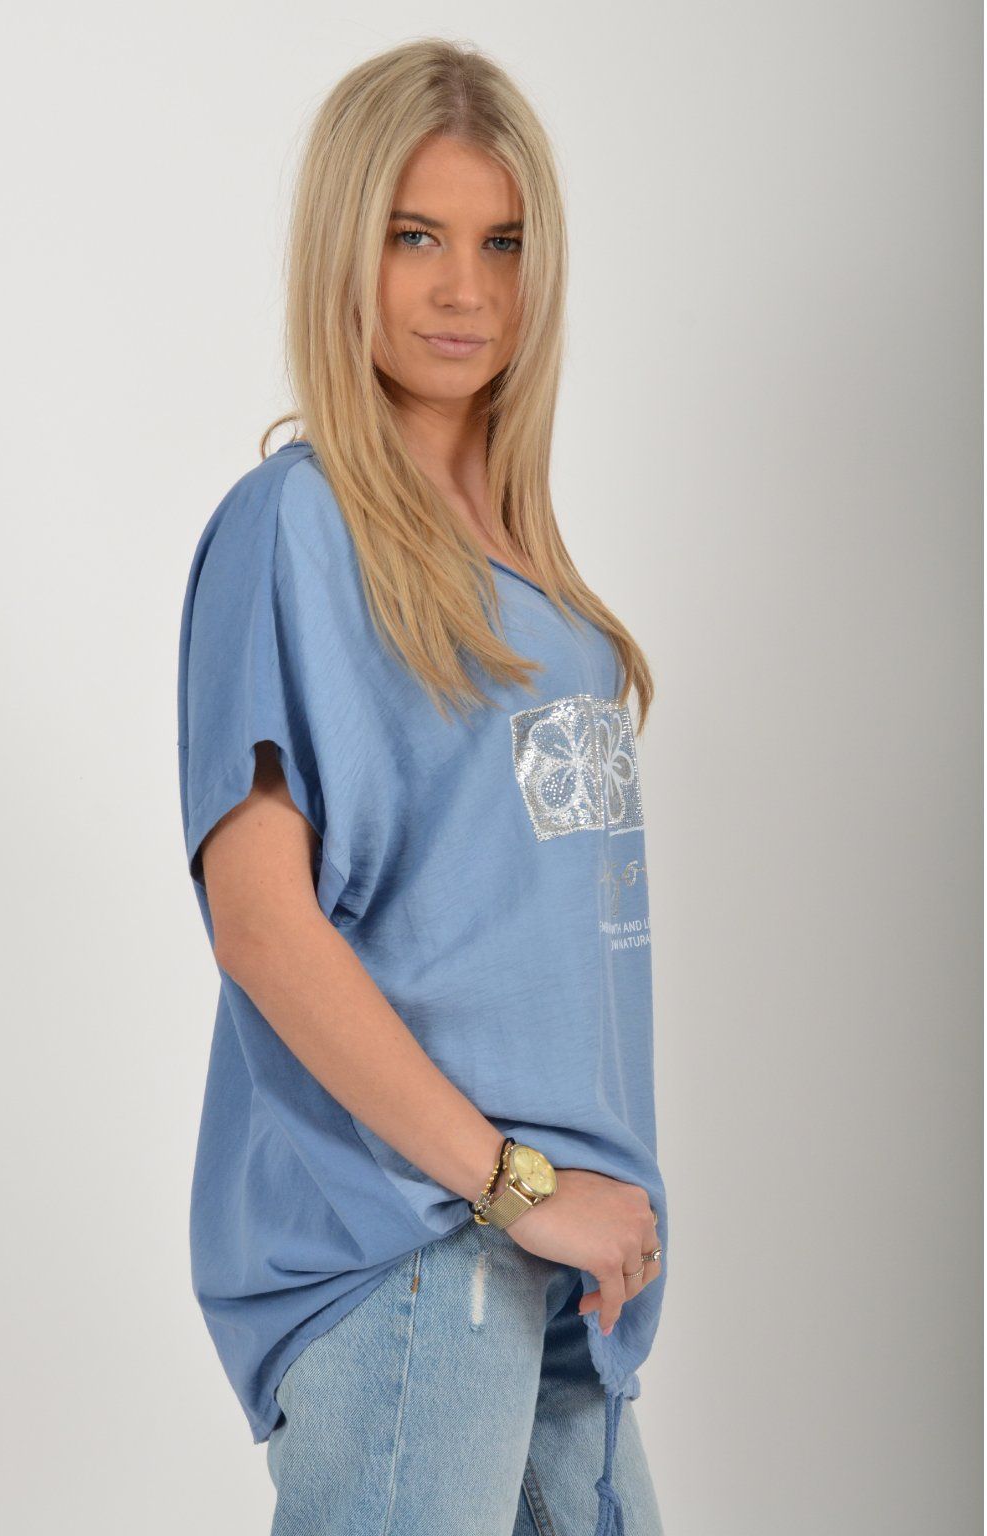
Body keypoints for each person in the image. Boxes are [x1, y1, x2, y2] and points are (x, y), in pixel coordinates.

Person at [177, 37, 669, 1536]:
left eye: (501, 243)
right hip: (418, 1248)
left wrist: (563, 1205)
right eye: (415, 237)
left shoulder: (534, 569)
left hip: (560, 1268)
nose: (466, 289)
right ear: (347, 251)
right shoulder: (297, 525)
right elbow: (262, 923)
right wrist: (516, 1186)